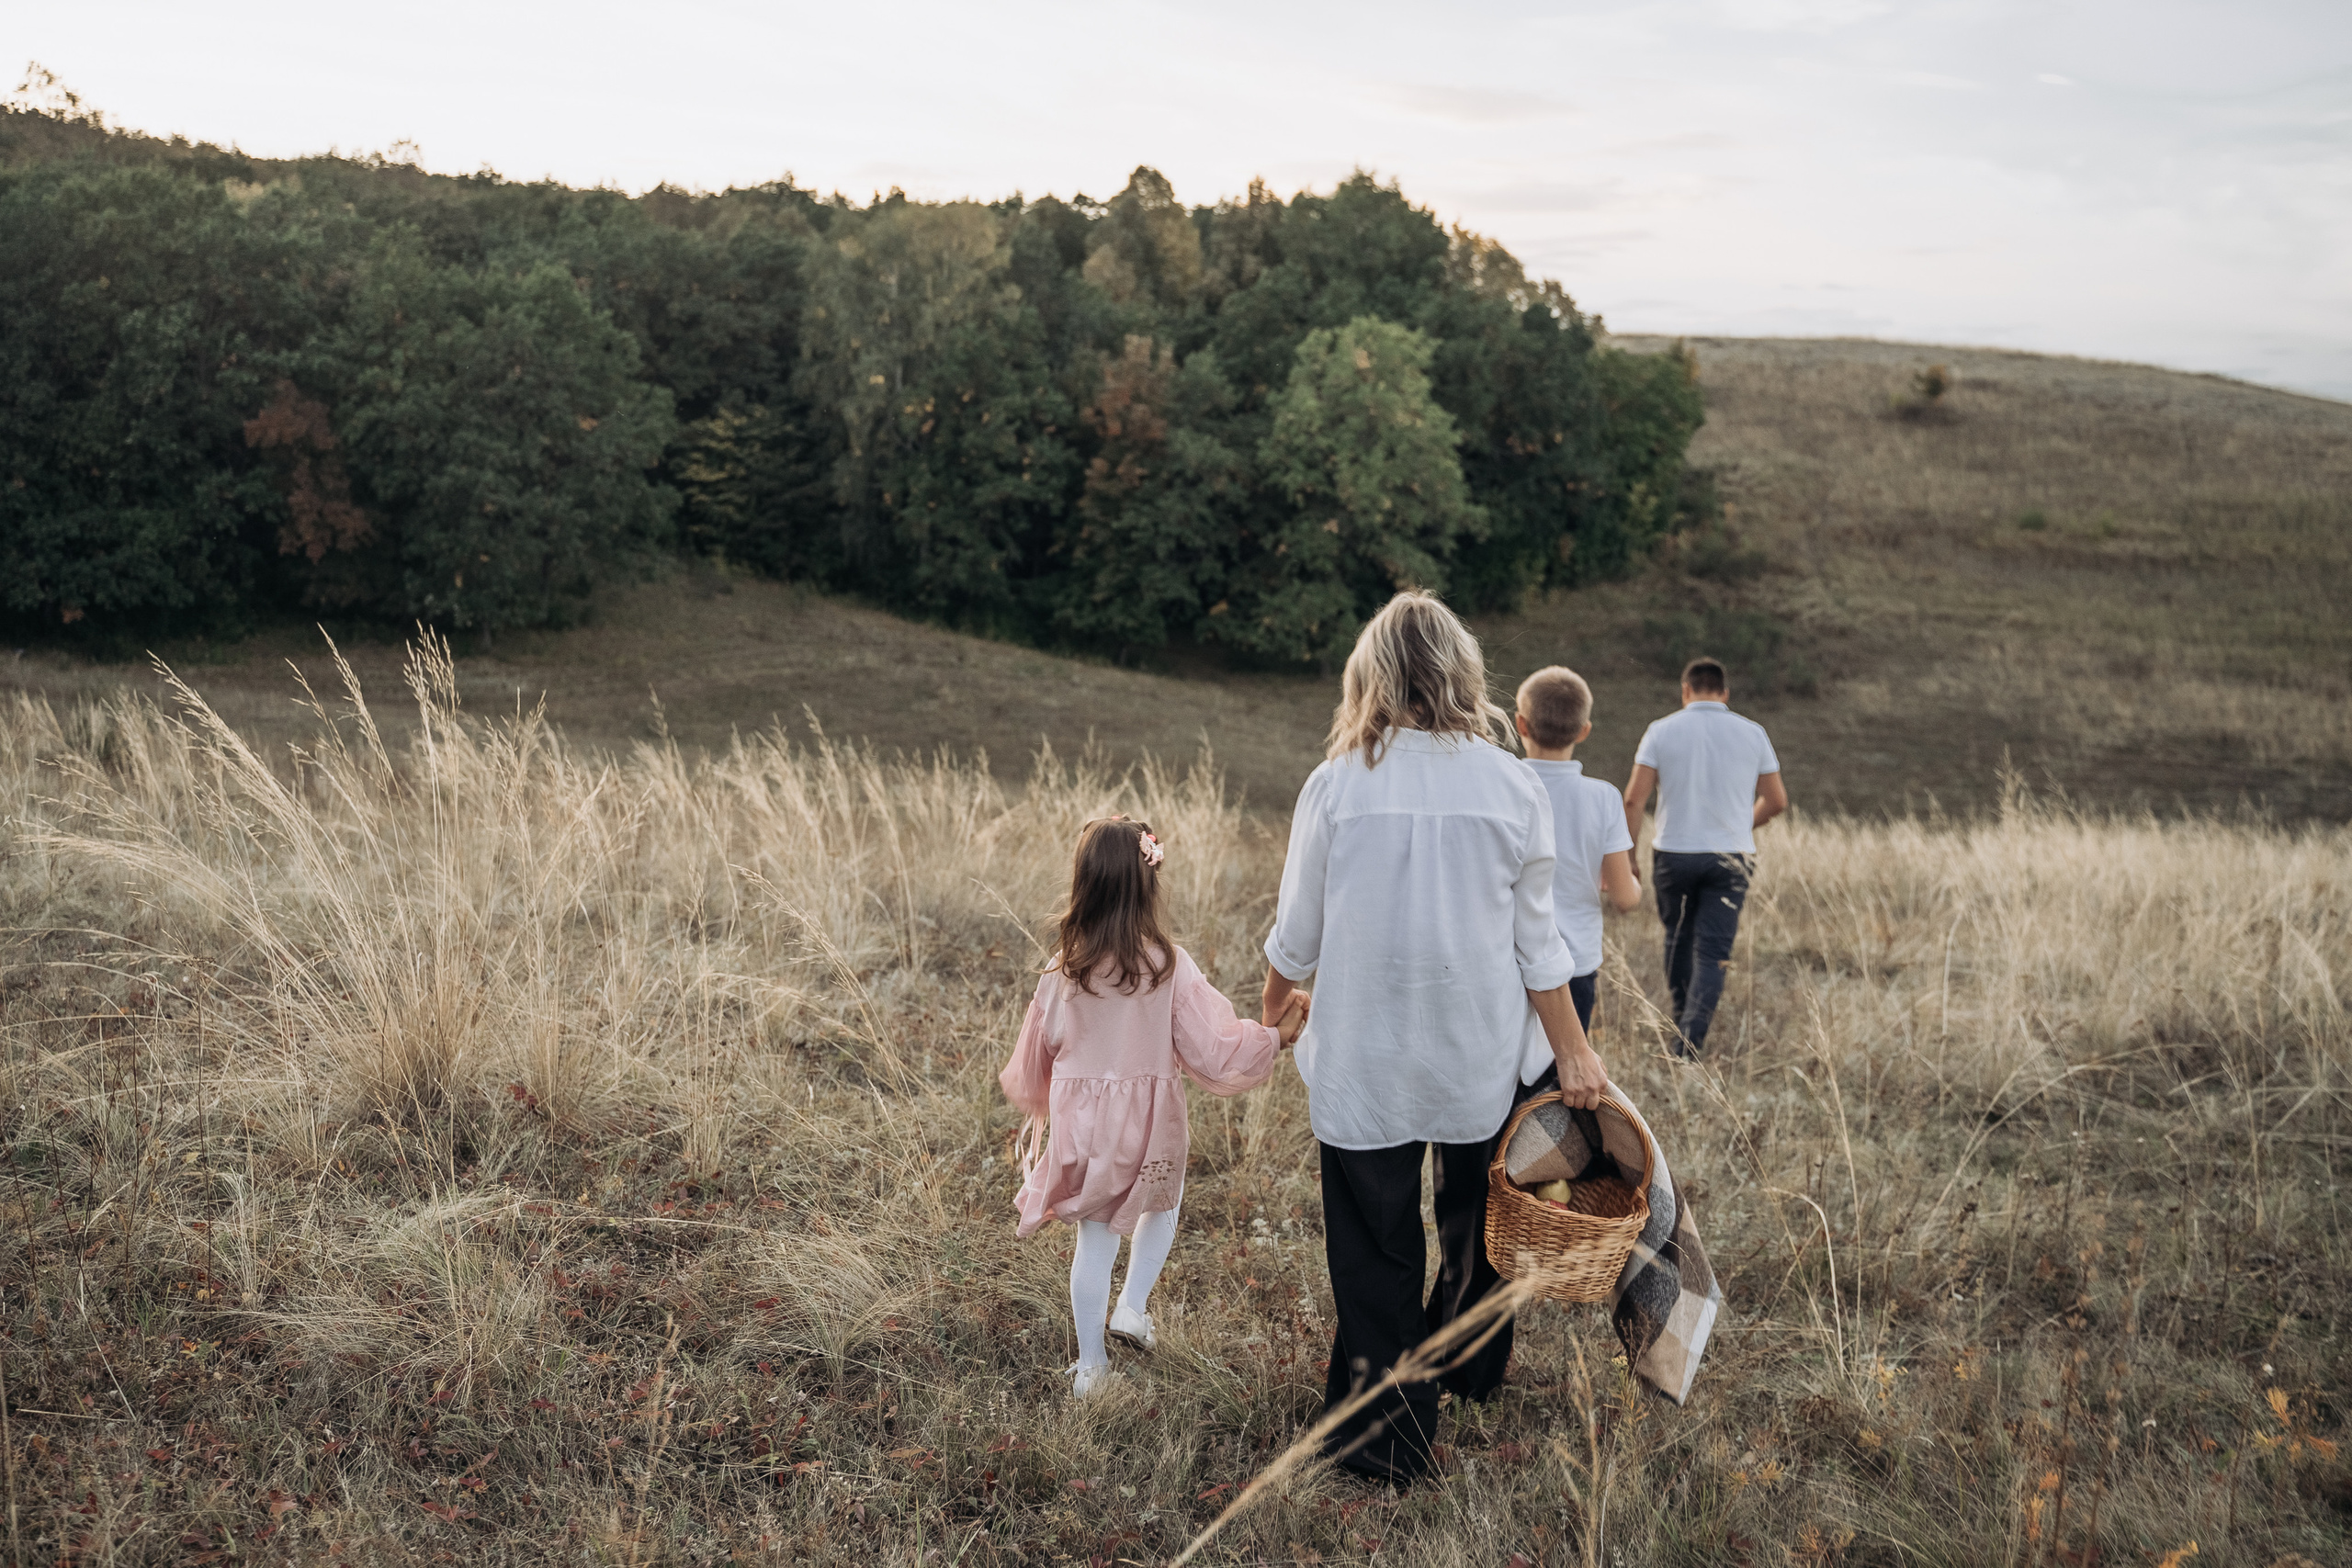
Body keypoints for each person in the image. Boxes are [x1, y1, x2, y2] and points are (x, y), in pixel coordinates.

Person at [1262, 592, 1608, 1484]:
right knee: (1476, 1225)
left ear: (1370, 676)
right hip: (1475, 1057)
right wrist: (1571, 1049)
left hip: (1363, 1062)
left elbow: (1296, 935)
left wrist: (1273, 1001)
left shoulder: (1336, 783)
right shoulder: (1511, 783)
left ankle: (1386, 1438)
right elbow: (1541, 945)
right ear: (1463, 673)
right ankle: (1467, 1361)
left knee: (1377, 1244)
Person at [1001, 815, 1307, 1398]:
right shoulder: (1168, 968)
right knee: (1161, 1202)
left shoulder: (1064, 969)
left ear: (1083, 885)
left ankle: (1092, 1368)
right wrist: (1274, 1037)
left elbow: (1035, 1053)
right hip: (1148, 1125)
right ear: (1149, 885)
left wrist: (1041, 1098)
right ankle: (1133, 1307)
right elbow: (1214, 1050)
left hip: (1085, 1129)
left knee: (1095, 1239)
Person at [1621, 657, 1788, 1057]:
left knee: (1678, 939)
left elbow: (1633, 799)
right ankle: (1690, 1042)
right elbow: (1777, 800)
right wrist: (1740, 826)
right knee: (1714, 951)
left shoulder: (1660, 731)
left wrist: (1629, 856)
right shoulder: (1753, 733)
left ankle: (1681, 1019)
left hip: (1673, 854)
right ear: (1725, 694)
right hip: (1730, 857)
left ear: (1685, 691)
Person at [1515, 666, 1642, 1033]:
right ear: (1584, 731)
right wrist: (1633, 884)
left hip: (1511, 961)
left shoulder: (1504, 788)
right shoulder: (1603, 798)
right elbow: (1624, 898)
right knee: (1564, 1079)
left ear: (1521, 724)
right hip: (1574, 966)